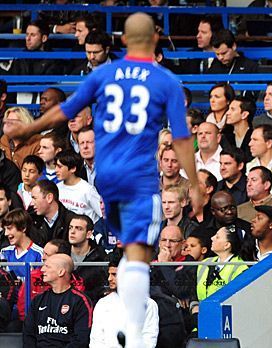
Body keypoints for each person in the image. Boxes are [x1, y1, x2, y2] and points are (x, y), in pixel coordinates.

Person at [6, 13, 200, 348]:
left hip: (107, 175)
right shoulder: (165, 79)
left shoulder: (105, 73)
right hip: (139, 176)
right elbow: (181, 138)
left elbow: (66, 110)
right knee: (138, 254)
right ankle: (135, 326)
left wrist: (29, 128)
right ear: (154, 40)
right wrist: (194, 182)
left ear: (123, 40)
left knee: (123, 249)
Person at [90, 250, 159, 348]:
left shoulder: (148, 305)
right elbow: (96, 340)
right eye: (109, 274)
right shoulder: (102, 303)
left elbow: (149, 340)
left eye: (114, 274)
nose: (109, 279)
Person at [23, 254, 93, 347]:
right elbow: (28, 335)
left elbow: (81, 339)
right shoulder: (38, 300)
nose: (42, 269)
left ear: (61, 272)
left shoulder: (80, 301)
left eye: (47, 266)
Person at [68, 214, 108, 304]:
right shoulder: (61, 252)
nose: (72, 232)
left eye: (79, 228)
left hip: (89, 305)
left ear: (89, 234)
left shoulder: (100, 257)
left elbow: (101, 289)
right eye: (70, 227)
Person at [55, 150, 103, 224]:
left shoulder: (87, 190)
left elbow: (102, 214)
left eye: (60, 167)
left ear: (73, 169)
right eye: (55, 166)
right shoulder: (56, 188)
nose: (56, 170)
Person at [0, 208, 44, 281]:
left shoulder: (39, 254)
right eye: (5, 229)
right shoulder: (4, 252)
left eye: (9, 228)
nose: (6, 233)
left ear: (23, 228)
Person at [247, 125, 272, 191]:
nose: (250, 144)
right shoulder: (248, 166)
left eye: (255, 140)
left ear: (269, 143)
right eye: (251, 140)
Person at [223, 96, 254, 163]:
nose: (227, 113)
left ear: (244, 114)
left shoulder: (254, 137)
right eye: (228, 109)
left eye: (232, 109)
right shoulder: (225, 136)